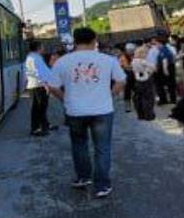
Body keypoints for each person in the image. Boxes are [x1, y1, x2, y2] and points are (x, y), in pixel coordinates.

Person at [48, 27, 126, 198]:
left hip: (75, 111)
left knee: (79, 145)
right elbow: (121, 80)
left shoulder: (63, 61)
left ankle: (83, 177)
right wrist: (110, 94)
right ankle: (101, 185)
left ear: (74, 41)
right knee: (102, 148)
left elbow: (52, 86)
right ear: (94, 40)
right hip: (102, 110)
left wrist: (64, 98)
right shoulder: (108, 59)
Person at [25, 40, 53, 136]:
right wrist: (45, 84)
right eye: (42, 46)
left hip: (39, 85)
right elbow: (37, 73)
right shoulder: (33, 58)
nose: (43, 48)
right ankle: (37, 128)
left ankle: (45, 125)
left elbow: (43, 71)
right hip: (38, 86)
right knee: (38, 107)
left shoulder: (35, 57)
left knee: (41, 107)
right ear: (38, 47)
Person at [131, 44, 156, 120]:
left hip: (138, 81)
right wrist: (150, 71)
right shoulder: (142, 61)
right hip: (146, 80)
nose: (147, 54)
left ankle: (140, 115)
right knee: (148, 99)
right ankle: (149, 115)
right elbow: (153, 67)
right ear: (141, 53)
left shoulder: (133, 61)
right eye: (146, 53)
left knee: (138, 99)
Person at [152, 37, 177, 105]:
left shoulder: (163, 50)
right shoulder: (166, 49)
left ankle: (171, 99)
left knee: (169, 84)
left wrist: (165, 70)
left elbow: (164, 60)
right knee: (170, 84)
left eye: (156, 44)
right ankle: (172, 99)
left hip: (167, 67)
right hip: (170, 66)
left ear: (160, 43)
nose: (156, 45)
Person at [119, 43, 136, 113]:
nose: (131, 52)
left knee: (137, 90)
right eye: (130, 51)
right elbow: (125, 66)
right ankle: (127, 105)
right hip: (127, 75)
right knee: (127, 91)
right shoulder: (123, 57)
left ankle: (137, 103)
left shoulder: (135, 56)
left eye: (132, 51)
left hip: (134, 75)